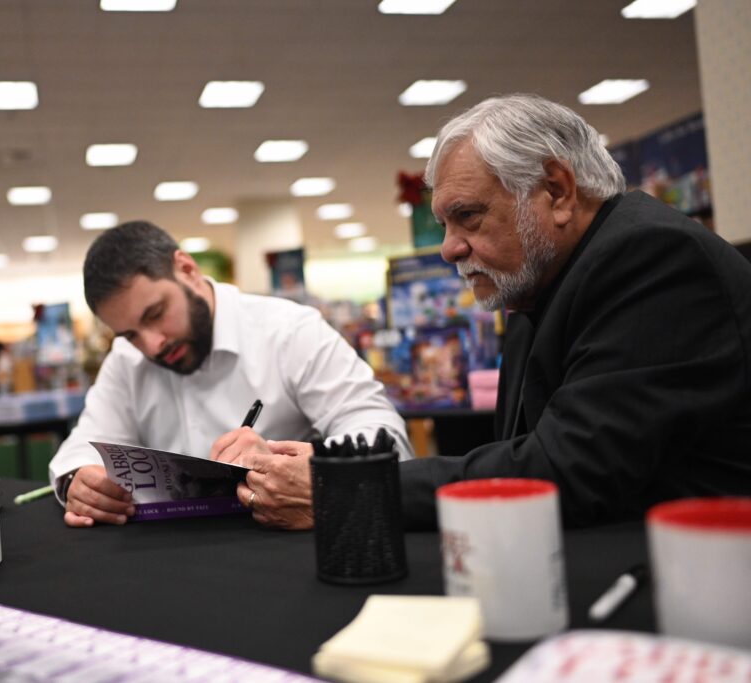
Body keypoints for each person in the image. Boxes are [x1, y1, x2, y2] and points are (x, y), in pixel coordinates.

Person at [241, 94, 751, 530]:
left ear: (557, 190)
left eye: (467, 217)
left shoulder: (650, 257)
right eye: (444, 224)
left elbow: (568, 470)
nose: (448, 249)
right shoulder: (542, 284)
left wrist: (347, 486)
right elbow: (521, 456)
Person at [48, 221, 412, 528]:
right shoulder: (127, 358)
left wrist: (295, 466)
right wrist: (78, 480)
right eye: (129, 334)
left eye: (156, 313)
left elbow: (385, 438)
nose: (152, 345)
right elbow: (83, 444)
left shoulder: (290, 331)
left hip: (291, 548)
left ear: (187, 270)